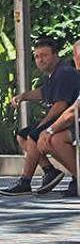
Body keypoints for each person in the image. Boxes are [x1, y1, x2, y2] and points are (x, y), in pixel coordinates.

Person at [0, 38, 80, 196]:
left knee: (38, 136)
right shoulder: (55, 74)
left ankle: (25, 181)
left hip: (70, 121)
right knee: (23, 136)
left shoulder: (64, 72)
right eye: (36, 56)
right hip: (68, 120)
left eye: (44, 55)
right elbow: (43, 92)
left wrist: (45, 127)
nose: (40, 59)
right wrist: (23, 96)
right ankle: (50, 171)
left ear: (56, 55)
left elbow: (61, 106)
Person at [39, 43, 80, 198]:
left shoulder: (66, 73)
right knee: (53, 139)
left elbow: (72, 111)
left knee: (55, 139)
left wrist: (49, 129)